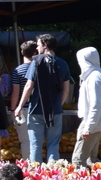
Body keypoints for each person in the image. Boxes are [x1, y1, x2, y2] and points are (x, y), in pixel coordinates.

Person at [16, 33, 71, 163]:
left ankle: (36, 173)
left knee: (35, 145)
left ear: (45, 45)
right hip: (55, 111)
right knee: (53, 144)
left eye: (38, 45)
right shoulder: (63, 64)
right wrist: (58, 104)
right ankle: (52, 172)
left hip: (36, 110)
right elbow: (66, 90)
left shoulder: (36, 62)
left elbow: (29, 86)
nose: (37, 48)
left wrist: (19, 106)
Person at [70, 47, 101, 168]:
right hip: (95, 123)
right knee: (92, 160)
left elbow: (96, 105)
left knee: (78, 160)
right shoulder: (97, 74)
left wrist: (88, 127)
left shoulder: (94, 77)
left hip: (91, 123)